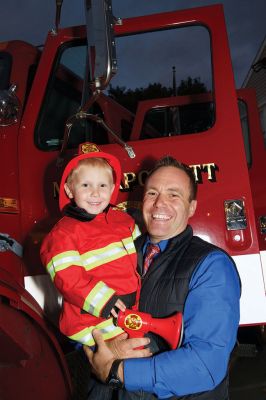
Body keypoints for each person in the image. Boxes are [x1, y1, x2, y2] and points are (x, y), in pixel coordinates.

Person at [84, 155, 241, 399]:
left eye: (174, 194)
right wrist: (105, 347)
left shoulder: (211, 265)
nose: (159, 204)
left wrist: (118, 371)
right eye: (152, 193)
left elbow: (206, 364)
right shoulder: (116, 253)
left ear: (192, 207)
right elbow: (77, 319)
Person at [40, 150, 141, 348]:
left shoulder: (125, 221)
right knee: (114, 370)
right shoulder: (62, 235)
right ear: (69, 190)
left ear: (112, 188)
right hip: (92, 325)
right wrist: (105, 301)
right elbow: (68, 279)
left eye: (102, 185)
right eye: (85, 185)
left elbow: (143, 256)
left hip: (129, 316)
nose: (95, 193)